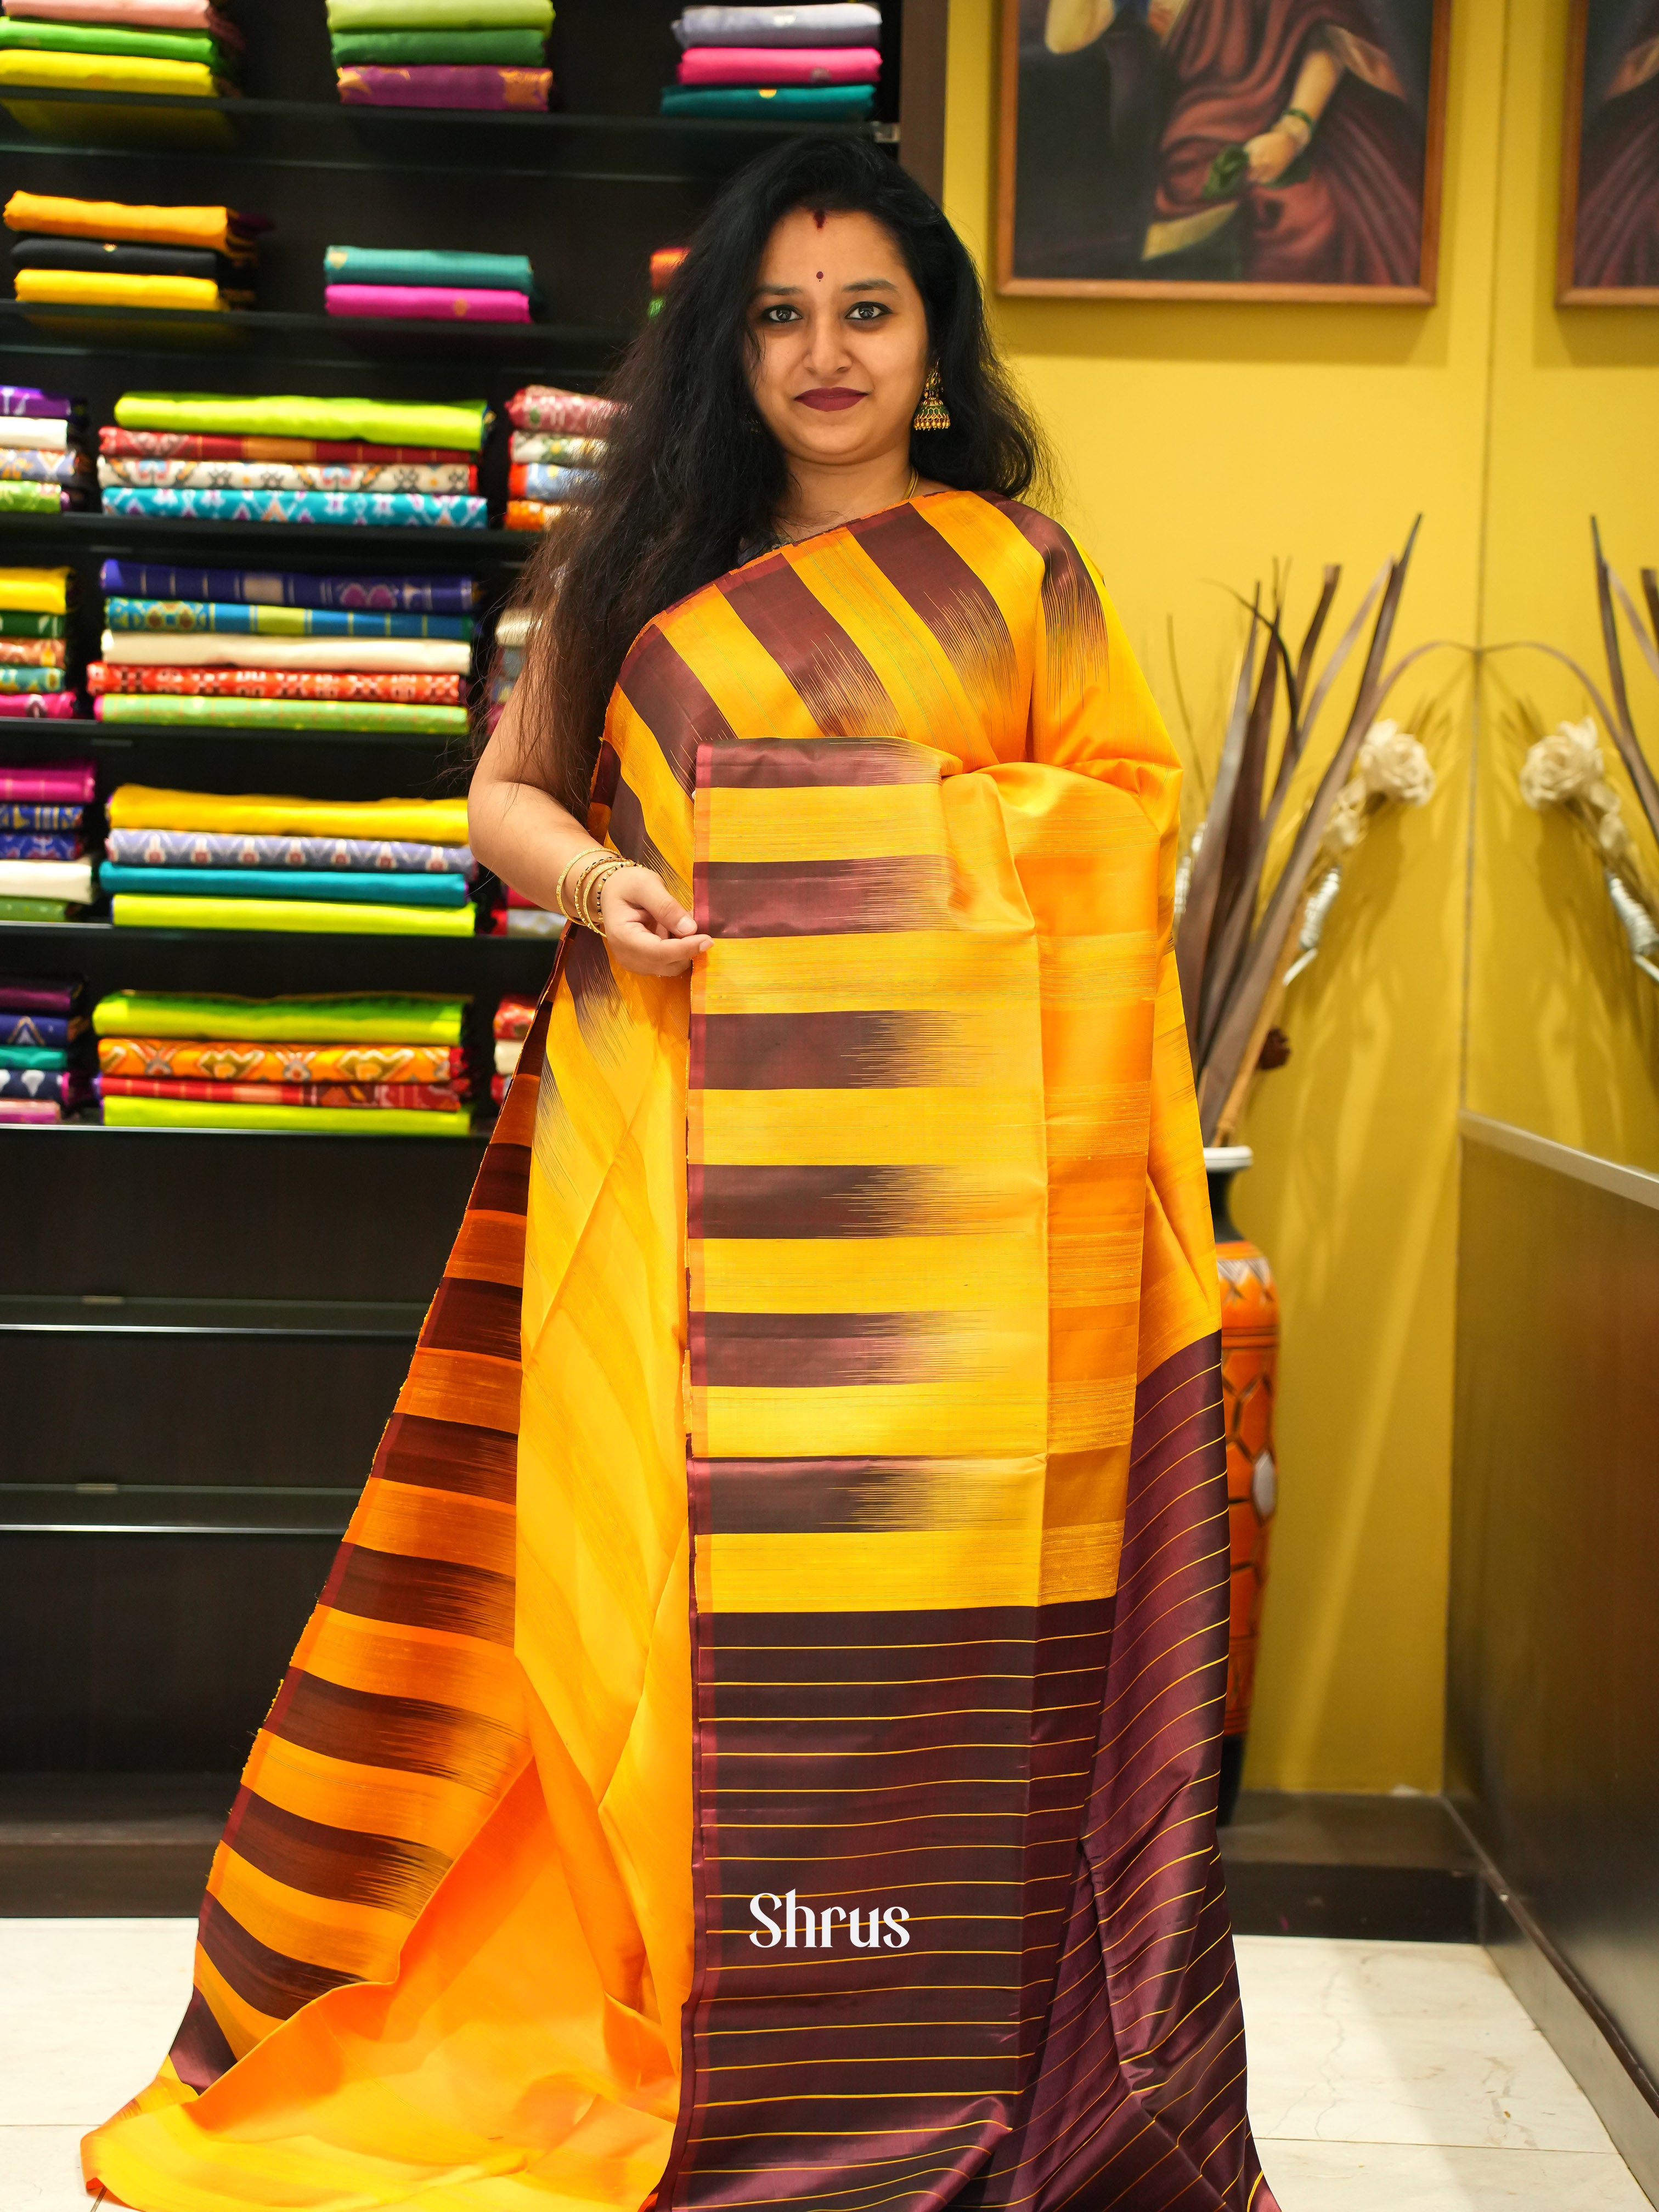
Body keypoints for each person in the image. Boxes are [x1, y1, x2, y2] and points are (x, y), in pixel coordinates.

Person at [84, 137, 1277, 2212]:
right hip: (684, 1186)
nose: (821, 352)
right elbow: (504, 804)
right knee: (664, 1611)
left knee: (941, 1637)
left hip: (961, 1260)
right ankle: (712, 2001)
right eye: (776, 315)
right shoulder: (641, 569)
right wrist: (607, 877)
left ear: (931, 347)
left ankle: (930, 2028)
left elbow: (1114, 830)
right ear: (728, 352)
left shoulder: (1017, 574)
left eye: (865, 310)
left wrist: (892, 840)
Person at [1044, 0, 1425, 285]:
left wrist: (1292, 133)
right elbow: (1063, 39)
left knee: (1312, 213)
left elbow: (1325, 35)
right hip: (1188, 140)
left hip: (1291, 123)